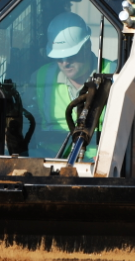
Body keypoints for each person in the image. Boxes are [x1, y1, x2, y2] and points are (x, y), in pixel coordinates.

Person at [29, 12, 115, 155]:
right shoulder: (41, 77)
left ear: (87, 47)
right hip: (50, 157)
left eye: (70, 56)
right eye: (59, 57)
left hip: (102, 158)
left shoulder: (115, 73)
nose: (65, 63)